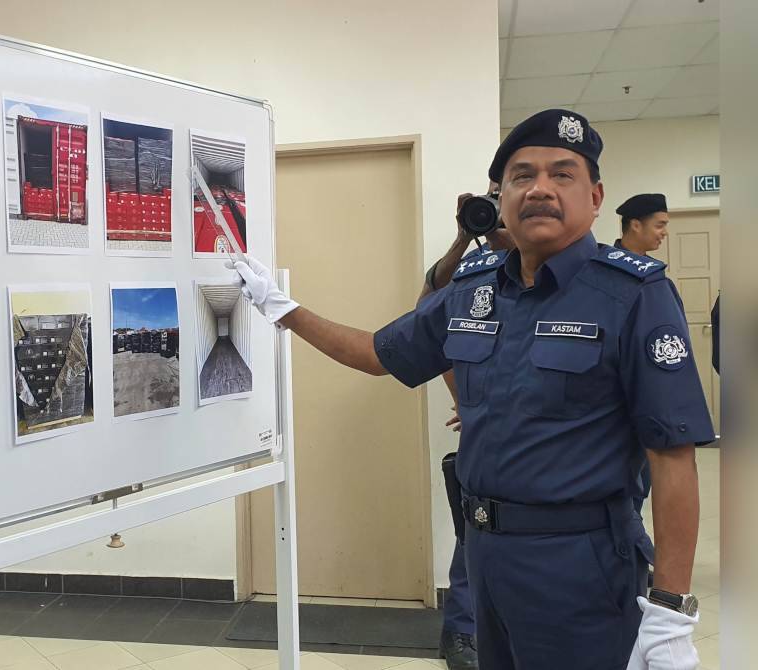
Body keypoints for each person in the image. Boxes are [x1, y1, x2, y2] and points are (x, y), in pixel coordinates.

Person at [227, 109, 713, 669]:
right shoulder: (474, 289)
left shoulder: (633, 294)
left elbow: (673, 455)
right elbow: (377, 353)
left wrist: (670, 614)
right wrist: (281, 307)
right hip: (485, 556)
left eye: (562, 174)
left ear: (596, 195)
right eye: (522, 176)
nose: (540, 189)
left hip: (580, 563)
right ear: (500, 197)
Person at [421, 187, 516, 670]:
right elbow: (427, 319)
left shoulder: (562, 266)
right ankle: (462, 631)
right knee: (475, 528)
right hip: (487, 436)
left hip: (544, 436)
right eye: (496, 201)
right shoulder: (475, 271)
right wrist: (464, 237)